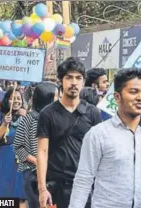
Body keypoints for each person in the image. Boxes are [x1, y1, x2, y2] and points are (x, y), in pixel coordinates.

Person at [69, 68, 141, 208]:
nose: (140, 98)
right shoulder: (98, 134)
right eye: (133, 92)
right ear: (117, 97)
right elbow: (84, 179)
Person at [37, 57, 102, 208]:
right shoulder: (47, 113)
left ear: (83, 81)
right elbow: (42, 151)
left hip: (85, 186)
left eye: (78, 78)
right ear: (61, 81)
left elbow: (99, 151)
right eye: (69, 77)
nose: (74, 82)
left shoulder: (92, 112)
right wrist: (42, 189)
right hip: (56, 186)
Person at [14, 82, 59, 208]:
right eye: (56, 96)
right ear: (47, 97)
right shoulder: (29, 119)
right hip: (32, 173)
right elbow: (18, 146)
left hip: (53, 173)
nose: (59, 99)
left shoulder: (56, 118)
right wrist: (35, 160)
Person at [0, 87, 27, 208]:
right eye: (13, 98)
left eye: (19, 98)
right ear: (7, 101)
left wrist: (28, 116)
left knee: (20, 195)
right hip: (3, 158)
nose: (17, 101)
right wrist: (4, 124)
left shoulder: (27, 115)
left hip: (21, 160)